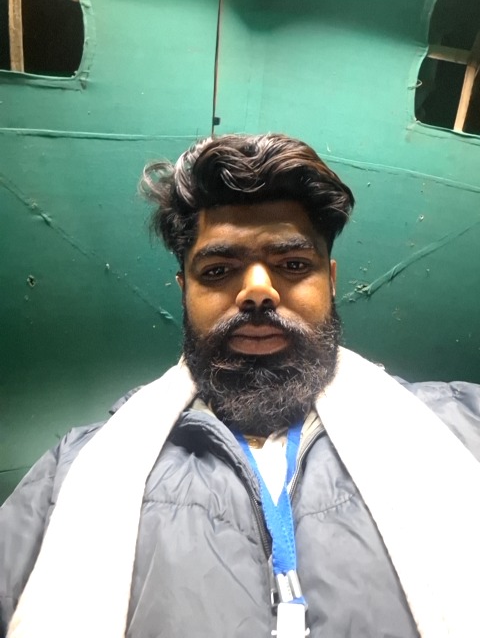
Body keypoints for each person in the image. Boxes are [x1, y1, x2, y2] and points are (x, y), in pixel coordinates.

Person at [1, 133, 480, 638]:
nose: (257, 291)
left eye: (293, 265)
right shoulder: (72, 471)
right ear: (184, 290)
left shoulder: (464, 424)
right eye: (218, 270)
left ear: (331, 280)